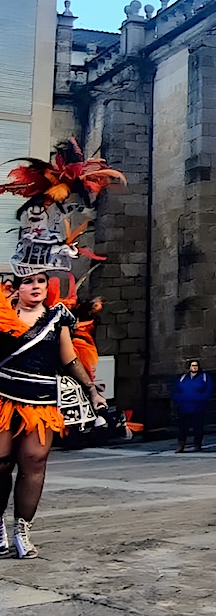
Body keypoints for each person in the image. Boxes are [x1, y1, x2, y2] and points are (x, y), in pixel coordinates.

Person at [0, 139, 123, 558]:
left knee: (34, 463)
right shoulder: (1, 315)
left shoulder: (58, 317)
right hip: (2, 395)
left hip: (39, 398)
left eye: (40, 282)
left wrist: (92, 390)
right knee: (0, 463)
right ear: (15, 285)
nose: (35, 288)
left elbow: (68, 358)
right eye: (28, 282)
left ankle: (22, 531)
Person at [171, 359, 213, 453]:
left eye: (196, 365)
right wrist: (179, 400)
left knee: (198, 427)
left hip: (198, 407)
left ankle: (197, 444)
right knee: (182, 427)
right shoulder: (183, 378)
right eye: (192, 365)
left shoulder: (204, 377)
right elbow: (176, 390)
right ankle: (181, 445)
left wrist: (201, 399)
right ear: (189, 367)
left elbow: (208, 390)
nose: (194, 367)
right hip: (184, 407)